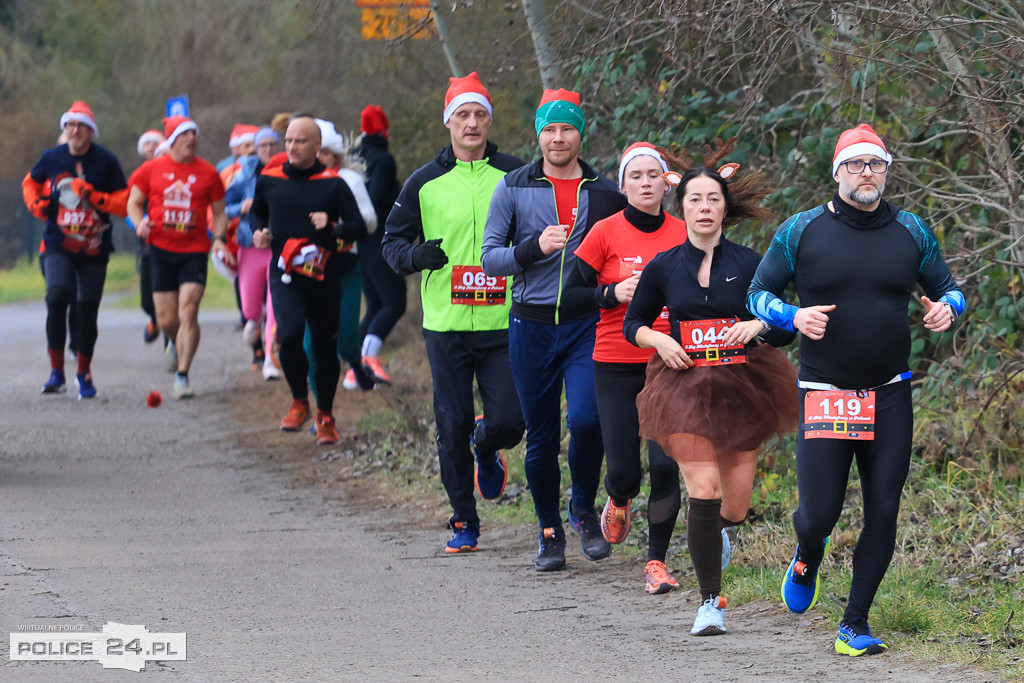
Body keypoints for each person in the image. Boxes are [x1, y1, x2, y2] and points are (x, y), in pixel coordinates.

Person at [747, 123, 965, 655]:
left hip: (889, 391)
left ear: (887, 171)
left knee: (883, 509)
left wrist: (947, 309)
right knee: (818, 514)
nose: (866, 173)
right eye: (855, 164)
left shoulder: (911, 230)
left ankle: (854, 624)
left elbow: (950, 290)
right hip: (826, 390)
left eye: (876, 164)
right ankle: (807, 554)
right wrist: (793, 316)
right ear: (837, 171)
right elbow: (756, 293)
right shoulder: (801, 230)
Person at [624, 140, 799, 635]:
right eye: (695, 199)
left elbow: (785, 327)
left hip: (743, 386)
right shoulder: (663, 266)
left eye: (713, 199)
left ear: (725, 207)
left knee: (734, 506)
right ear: (680, 207)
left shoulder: (751, 264)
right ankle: (709, 603)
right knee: (703, 489)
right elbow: (633, 323)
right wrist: (660, 339)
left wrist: (758, 325)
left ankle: (718, 530)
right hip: (682, 388)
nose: (704, 207)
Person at [382, 72, 525, 553]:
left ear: (489, 121)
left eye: (480, 114)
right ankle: (464, 520)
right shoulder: (423, 182)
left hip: (504, 320)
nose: (471, 123)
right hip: (445, 324)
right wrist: (415, 256)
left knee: (511, 422)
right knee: (451, 425)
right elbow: (391, 242)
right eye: (462, 115)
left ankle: (487, 443)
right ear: (448, 122)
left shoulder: (516, 174)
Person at [481, 88, 624, 571]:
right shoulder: (513, 186)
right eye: (549, 129)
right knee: (541, 436)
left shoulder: (606, 193)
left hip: (587, 324)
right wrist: (533, 248)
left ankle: (582, 509)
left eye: (567, 129)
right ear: (538, 135)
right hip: (531, 325)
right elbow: (490, 259)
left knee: (586, 420)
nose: (558, 138)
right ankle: (548, 530)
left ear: (581, 135)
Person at [568, 143, 685, 594]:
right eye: (635, 176)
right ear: (623, 186)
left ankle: (656, 562)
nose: (645, 183)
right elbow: (569, 296)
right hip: (615, 362)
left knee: (665, 466)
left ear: (666, 183)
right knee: (624, 473)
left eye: (654, 175)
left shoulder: (683, 233)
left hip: (669, 364)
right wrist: (611, 293)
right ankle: (618, 497)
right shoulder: (604, 232)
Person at [249, 113, 367, 445]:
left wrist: (334, 226)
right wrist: (258, 231)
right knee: (288, 335)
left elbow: (359, 227)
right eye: (288, 141)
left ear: (317, 146)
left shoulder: (334, 183)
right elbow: (256, 212)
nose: (292, 147)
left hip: (324, 274)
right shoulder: (270, 179)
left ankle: (325, 415)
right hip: (285, 273)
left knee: (325, 347)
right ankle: (299, 400)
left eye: (300, 141)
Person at [22, 101, 129, 399]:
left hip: (94, 247)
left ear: (91, 131)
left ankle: (84, 373)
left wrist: (94, 196)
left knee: (86, 310)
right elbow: (30, 183)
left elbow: (124, 203)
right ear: (65, 129)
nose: (75, 130)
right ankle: (56, 372)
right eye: (70, 125)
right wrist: (36, 205)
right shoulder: (51, 157)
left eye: (82, 126)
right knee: (57, 297)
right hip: (58, 243)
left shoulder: (106, 161)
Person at [127, 115, 233, 399]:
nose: (191, 140)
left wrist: (218, 239)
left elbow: (220, 212)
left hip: (194, 250)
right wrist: (139, 223)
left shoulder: (208, 173)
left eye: (194, 135)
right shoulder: (151, 169)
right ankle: (174, 341)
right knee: (166, 320)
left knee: (189, 311)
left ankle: (183, 375)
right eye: (185, 135)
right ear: (172, 140)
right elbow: (133, 202)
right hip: (160, 249)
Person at [306, 118, 378, 393]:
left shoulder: (349, 180)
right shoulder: (296, 182)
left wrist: (338, 226)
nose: (319, 158)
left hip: (345, 266)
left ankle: (356, 363)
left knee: (346, 340)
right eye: (315, 153)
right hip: (309, 270)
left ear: (335, 155)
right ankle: (321, 408)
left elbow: (369, 221)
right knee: (310, 345)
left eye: (324, 153)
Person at [350, 104, 404, 387]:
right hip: (379, 239)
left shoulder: (354, 158)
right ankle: (367, 361)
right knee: (394, 303)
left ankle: (354, 369)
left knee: (374, 305)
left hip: (359, 241)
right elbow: (374, 199)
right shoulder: (382, 160)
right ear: (384, 132)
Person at [224, 126, 282, 380]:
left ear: (279, 147)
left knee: (275, 305)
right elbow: (226, 206)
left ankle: (270, 359)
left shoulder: (288, 170)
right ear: (256, 149)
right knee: (251, 309)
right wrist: (242, 207)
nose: (268, 149)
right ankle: (254, 322)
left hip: (279, 247)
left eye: (272, 144)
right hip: (250, 245)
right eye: (263, 145)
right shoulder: (245, 173)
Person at [134, 129, 165, 345]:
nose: (152, 147)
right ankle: (154, 318)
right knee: (147, 298)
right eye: (148, 144)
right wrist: (138, 221)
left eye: (156, 143)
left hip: (175, 243)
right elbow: (130, 204)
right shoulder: (140, 175)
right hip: (148, 242)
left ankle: (171, 341)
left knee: (171, 294)